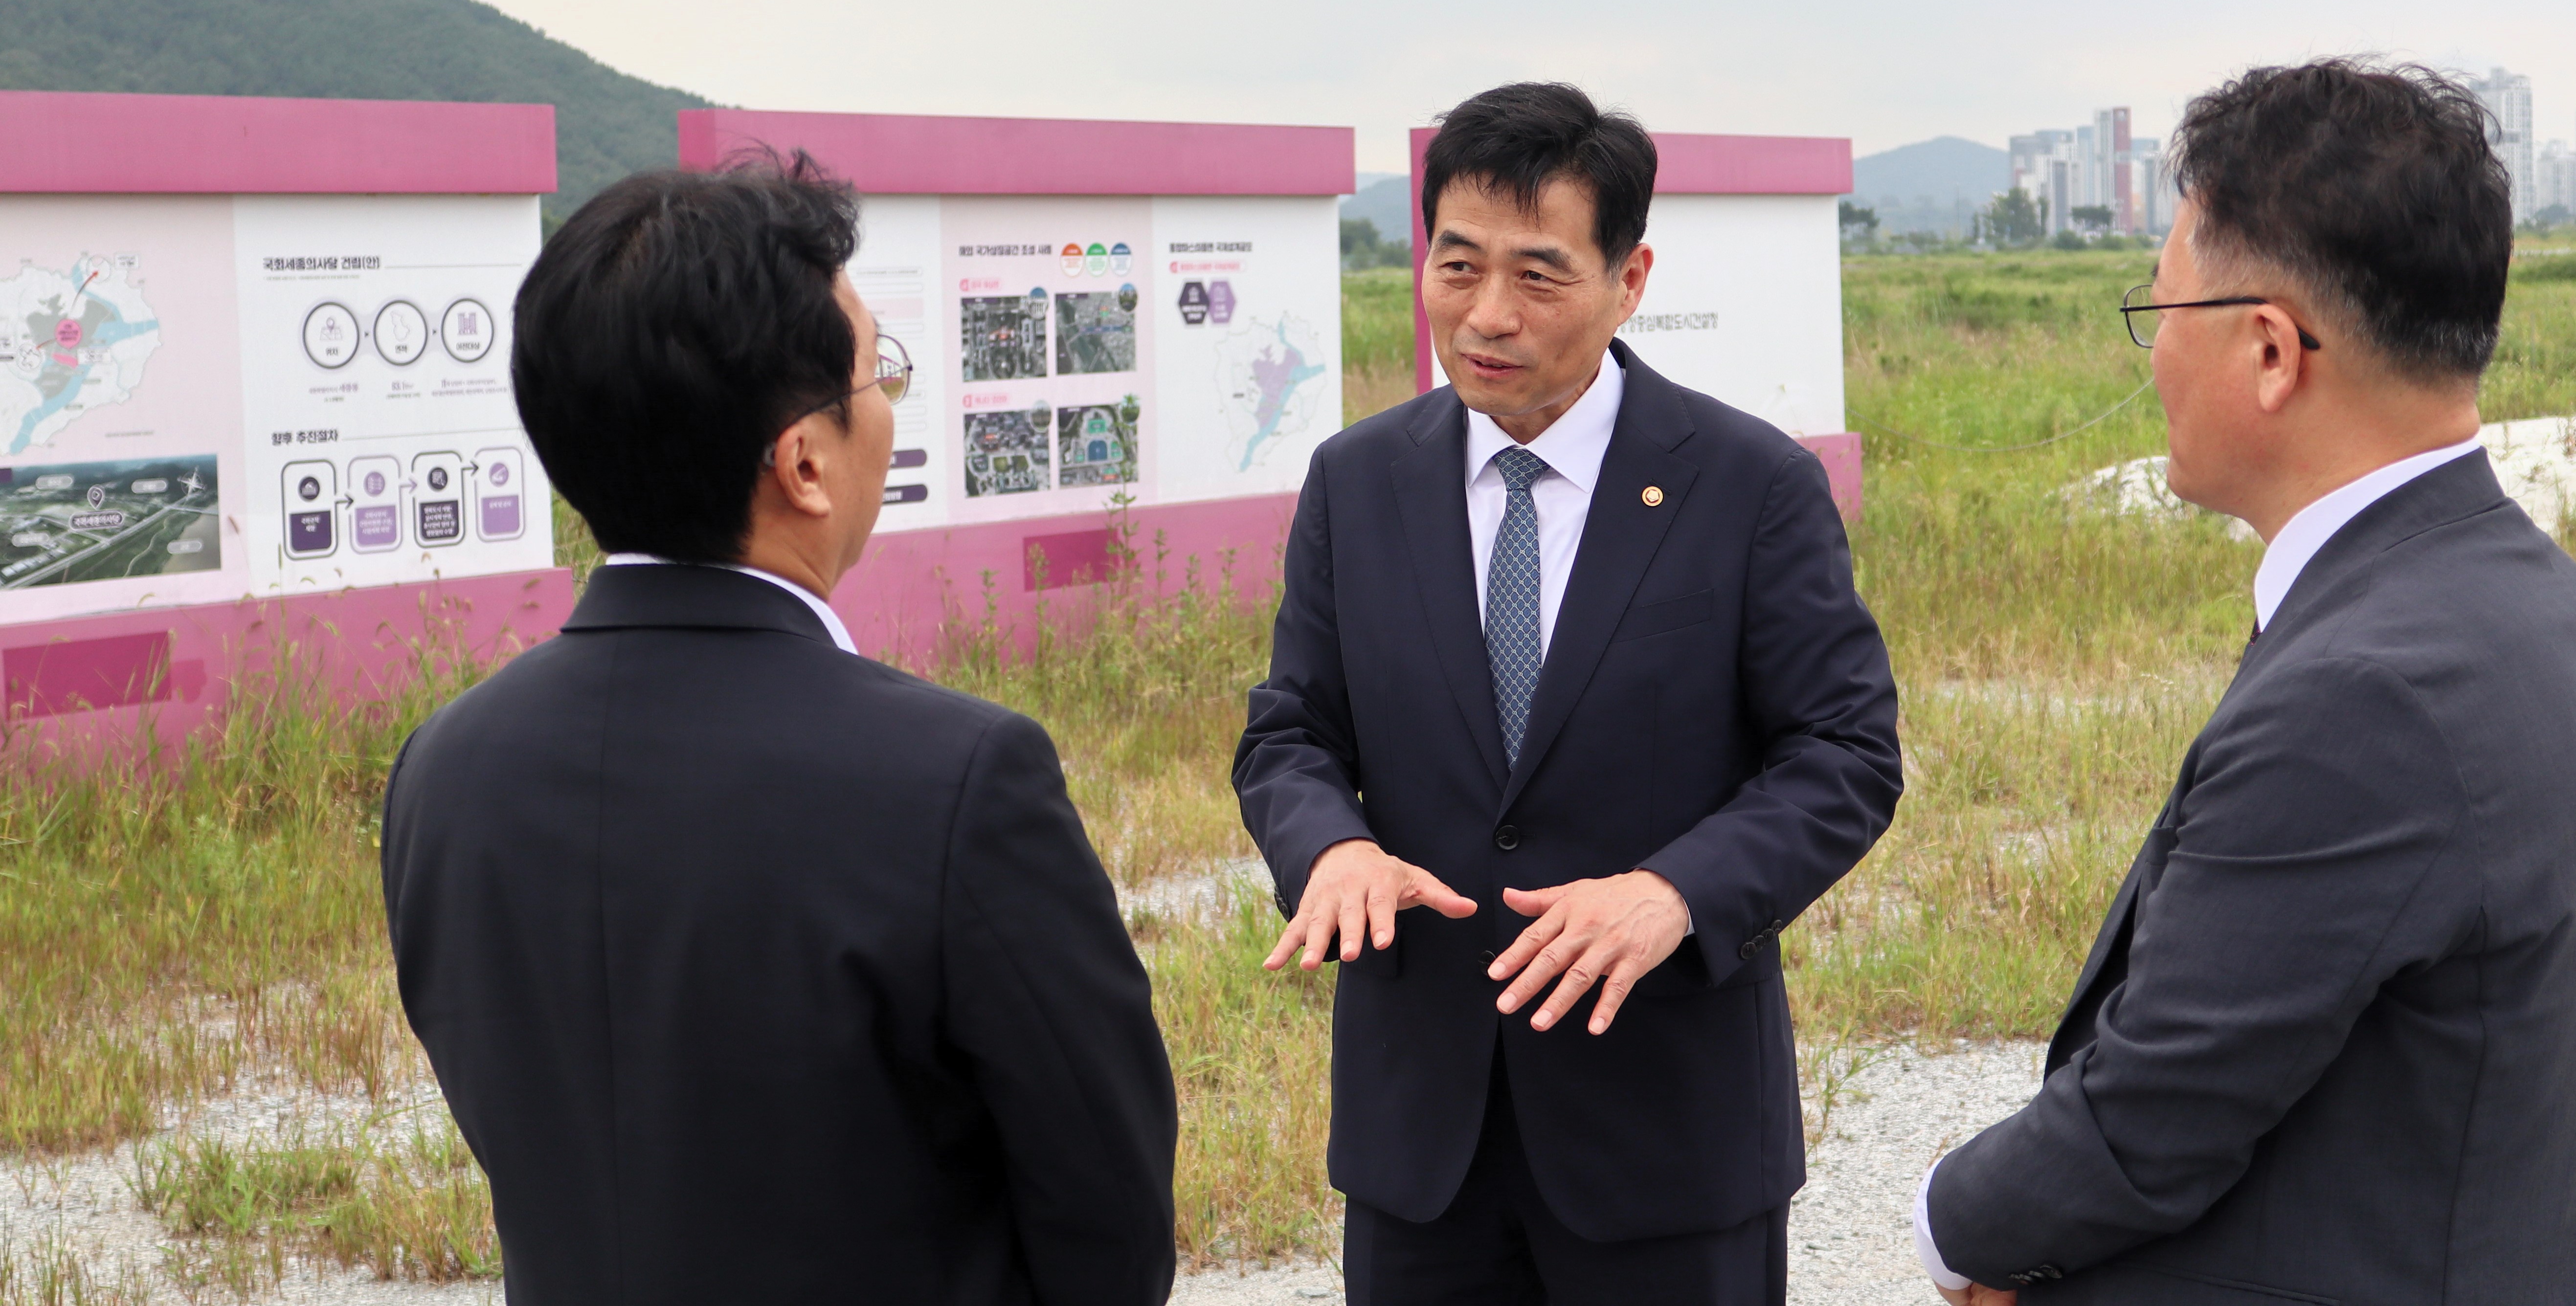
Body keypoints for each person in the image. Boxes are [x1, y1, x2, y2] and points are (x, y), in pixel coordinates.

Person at [382, 156, 1178, 1306]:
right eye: (878, 373)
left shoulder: (447, 766)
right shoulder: (958, 782)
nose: (889, 407)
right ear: (805, 460)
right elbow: (1107, 1214)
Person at [1914, 62, 2576, 1303]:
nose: (2151, 365)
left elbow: (2157, 1111)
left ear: (2266, 351)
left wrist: (1952, 1224)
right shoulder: (2529, 591)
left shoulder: (2363, 691)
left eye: (2160, 318)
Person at [1233, 83, 1903, 1306]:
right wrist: (1328, 847)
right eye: (1458, 264)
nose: (1488, 315)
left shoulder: (1747, 484)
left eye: (1540, 275)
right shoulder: (1358, 482)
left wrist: (1674, 892)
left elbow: (1844, 752)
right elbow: (1292, 730)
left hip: (1665, 1133)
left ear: (1629, 278)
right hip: (1420, 1138)